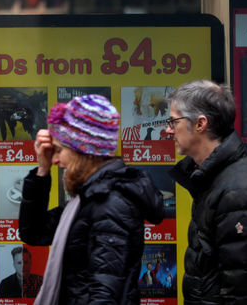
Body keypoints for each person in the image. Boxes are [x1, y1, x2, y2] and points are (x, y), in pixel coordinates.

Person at [18, 94, 164, 304]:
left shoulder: (109, 203)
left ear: (83, 151)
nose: (56, 159)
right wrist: (42, 169)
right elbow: (34, 232)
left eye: (59, 150)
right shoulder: (89, 199)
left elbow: (104, 293)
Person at [165, 80, 247, 304]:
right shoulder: (215, 178)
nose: (168, 129)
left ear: (201, 124)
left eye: (174, 121)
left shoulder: (239, 192)